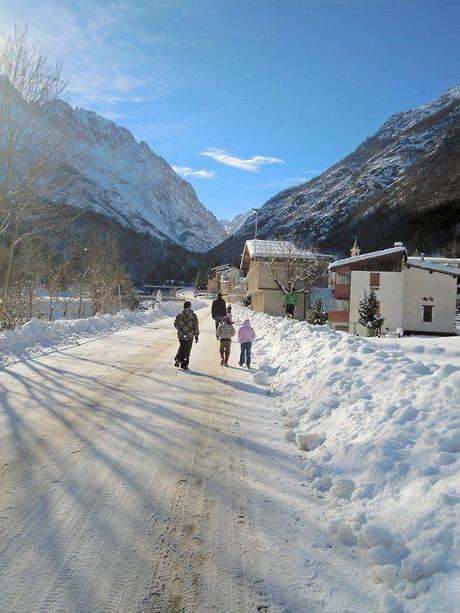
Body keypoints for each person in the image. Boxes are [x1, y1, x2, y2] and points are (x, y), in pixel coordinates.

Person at [174, 301, 199, 370]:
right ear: (189, 307)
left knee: (182, 347)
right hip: (190, 335)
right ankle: (184, 365)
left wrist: (180, 329)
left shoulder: (180, 314)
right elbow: (196, 326)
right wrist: (196, 335)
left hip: (181, 335)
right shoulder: (193, 315)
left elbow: (175, 324)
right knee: (187, 350)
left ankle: (178, 359)